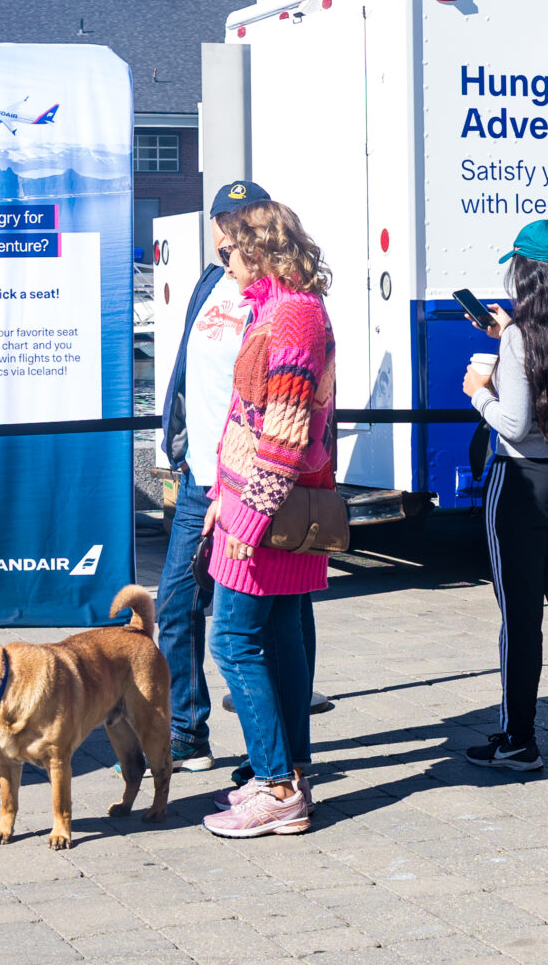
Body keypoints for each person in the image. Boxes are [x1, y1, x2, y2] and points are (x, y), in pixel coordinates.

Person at [201, 200, 336, 840]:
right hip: (256, 507)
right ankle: (288, 777)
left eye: (226, 247)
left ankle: (277, 785)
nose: (220, 259)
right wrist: (216, 503)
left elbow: (283, 434)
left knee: (232, 641)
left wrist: (245, 523)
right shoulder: (277, 310)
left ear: (257, 246)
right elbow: (245, 420)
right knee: (281, 644)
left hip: (266, 515)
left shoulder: (291, 317)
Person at [461, 218, 548, 771]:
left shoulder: (523, 335)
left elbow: (515, 425)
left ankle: (518, 739)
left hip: (521, 485)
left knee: (519, 619)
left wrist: (479, 394)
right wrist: (506, 337)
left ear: (525, 269)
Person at [156, 179, 269, 773]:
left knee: (247, 622)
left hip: (245, 482)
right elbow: (186, 370)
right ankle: (187, 730)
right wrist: (174, 443)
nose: (226, 232)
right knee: (175, 604)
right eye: (222, 221)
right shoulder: (209, 282)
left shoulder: (269, 292)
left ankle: (271, 749)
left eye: (239, 221)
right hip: (199, 475)